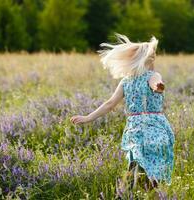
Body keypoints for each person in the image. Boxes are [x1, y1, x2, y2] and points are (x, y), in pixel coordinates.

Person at [70, 33, 175, 193]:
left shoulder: (126, 81)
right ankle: (143, 191)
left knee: (137, 160)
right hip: (154, 126)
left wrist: (87, 118)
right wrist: (157, 87)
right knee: (155, 164)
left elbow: (110, 104)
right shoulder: (154, 76)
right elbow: (155, 83)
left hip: (135, 127)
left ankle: (129, 191)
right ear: (148, 59)